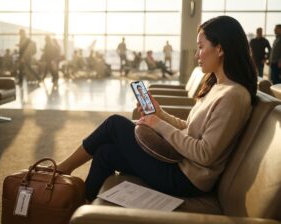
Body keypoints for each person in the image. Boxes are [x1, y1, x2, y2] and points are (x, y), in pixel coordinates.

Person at [55, 16, 257, 202]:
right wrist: (159, 114)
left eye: (200, 47)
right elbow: (190, 128)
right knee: (106, 152)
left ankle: (61, 169)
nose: (196, 55)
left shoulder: (233, 96)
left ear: (220, 49)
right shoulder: (216, 86)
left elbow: (205, 154)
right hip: (179, 164)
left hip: (186, 179)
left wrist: (159, 125)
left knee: (115, 124)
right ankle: (83, 206)